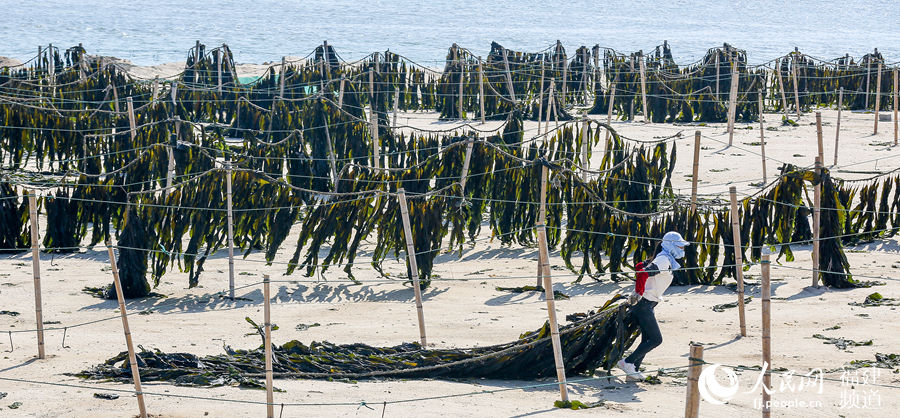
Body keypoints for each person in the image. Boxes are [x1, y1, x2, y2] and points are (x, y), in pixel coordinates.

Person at [617, 231, 689, 380]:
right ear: (671, 246)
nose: (682, 249)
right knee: (656, 339)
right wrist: (638, 292)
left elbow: (639, 266)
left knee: (647, 338)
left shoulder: (665, 258)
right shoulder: (664, 260)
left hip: (648, 303)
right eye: (680, 246)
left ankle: (633, 369)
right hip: (643, 303)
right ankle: (627, 362)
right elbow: (643, 273)